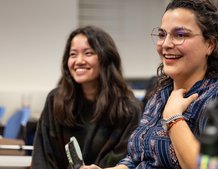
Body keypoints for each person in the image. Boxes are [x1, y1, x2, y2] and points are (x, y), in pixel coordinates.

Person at [83, 0, 218, 168]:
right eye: (162, 34)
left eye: (180, 35)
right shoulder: (161, 95)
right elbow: (134, 160)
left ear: (209, 45)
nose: (166, 44)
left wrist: (174, 118)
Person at [31, 26, 141, 168]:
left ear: (106, 58)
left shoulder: (128, 109)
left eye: (88, 53)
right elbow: (43, 158)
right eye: (73, 54)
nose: (79, 61)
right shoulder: (55, 100)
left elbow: (127, 160)